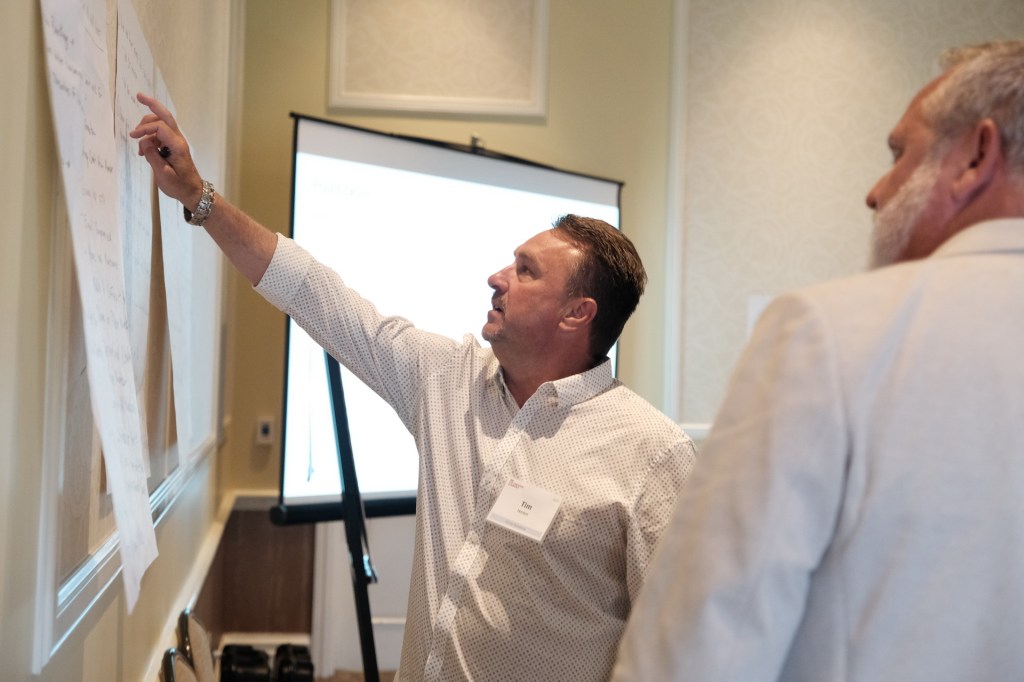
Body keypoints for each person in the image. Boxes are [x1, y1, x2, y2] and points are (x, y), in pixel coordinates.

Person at [131, 95, 696, 682]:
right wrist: (199, 198)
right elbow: (316, 294)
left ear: (577, 314)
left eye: (526, 271)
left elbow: (681, 651)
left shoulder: (653, 455)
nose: (497, 278)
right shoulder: (449, 381)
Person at [611, 40, 1024, 682]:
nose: (875, 192)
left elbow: (696, 653)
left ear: (976, 156)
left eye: (899, 154)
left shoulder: (828, 332)